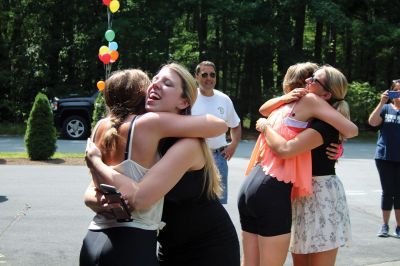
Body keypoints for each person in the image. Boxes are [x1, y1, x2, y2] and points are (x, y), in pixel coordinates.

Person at [84, 63, 241, 266]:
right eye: (155, 80)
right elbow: (91, 191)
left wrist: (95, 162)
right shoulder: (143, 135)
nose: (156, 85)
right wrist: (102, 202)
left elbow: (139, 198)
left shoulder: (188, 144)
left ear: (184, 101)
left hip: (208, 249)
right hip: (167, 246)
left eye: (166, 83)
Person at [238, 64, 358, 266]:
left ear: (327, 94)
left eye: (314, 79)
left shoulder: (322, 119)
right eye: (308, 78)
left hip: (318, 195)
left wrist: (265, 127)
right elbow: (266, 110)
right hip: (296, 193)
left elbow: (287, 148)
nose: (308, 82)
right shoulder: (298, 111)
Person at [192, 60, 242, 204]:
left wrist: (233, 144)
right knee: (194, 199)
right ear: (196, 76)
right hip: (194, 155)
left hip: (218, 157)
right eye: (204, 74)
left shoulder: (224, 99)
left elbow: (236, 124)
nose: (209, 78)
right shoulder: (190, 98)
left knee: (217, 203)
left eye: (212, 75)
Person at [368, 79, 400, 238]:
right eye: (397, 92)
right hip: (384, 157)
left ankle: (399, 227)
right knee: (388, 192)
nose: (399, 96)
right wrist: (381, 102)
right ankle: (385, 225)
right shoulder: (386, 108)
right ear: (391, 92)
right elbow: (372, 122)